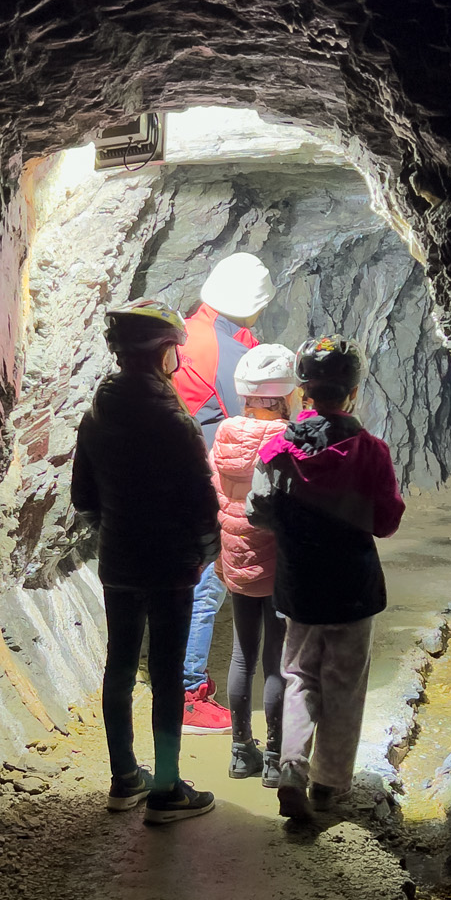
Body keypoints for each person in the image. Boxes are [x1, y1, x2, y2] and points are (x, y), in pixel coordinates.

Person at [69, 299, 217, 825]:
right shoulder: (173, 418)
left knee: (120, 666)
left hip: (119, 561)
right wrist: (205, 553)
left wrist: (120, 525)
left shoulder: (97, 413)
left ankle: (124, 778)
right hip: (170, 564)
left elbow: (83, 498)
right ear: (163, 353)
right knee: (167, 672)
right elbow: (202, 501)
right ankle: (167, 789)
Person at [247, 334, 405, 823]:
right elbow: (386, 521)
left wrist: (296, 526)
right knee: (344, 684)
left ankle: (291, 769)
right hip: (354, 589)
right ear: (352, 391)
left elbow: (257, 512)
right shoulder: (371, 451)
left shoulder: (276, 450)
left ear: (305, 392)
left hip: (300, 586)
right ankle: (327, 785)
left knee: (299, 676)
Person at [171, 251, 276, 732]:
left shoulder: (188, 331)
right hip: (211, 485)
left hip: (178, 480)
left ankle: (185, 684)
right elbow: (253, 419)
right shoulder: (225, 350)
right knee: (206, 589)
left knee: (192, 586)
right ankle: (188, 694)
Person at [208, 343, 299, 784]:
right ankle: (276, 757)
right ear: (284, 395)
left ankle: (241, 751)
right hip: (278, 566)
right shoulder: (289, 439)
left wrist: (224, 561)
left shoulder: (225, 434)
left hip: (237, 562)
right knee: (277, 661)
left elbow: (215, 496)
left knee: (242, 655)